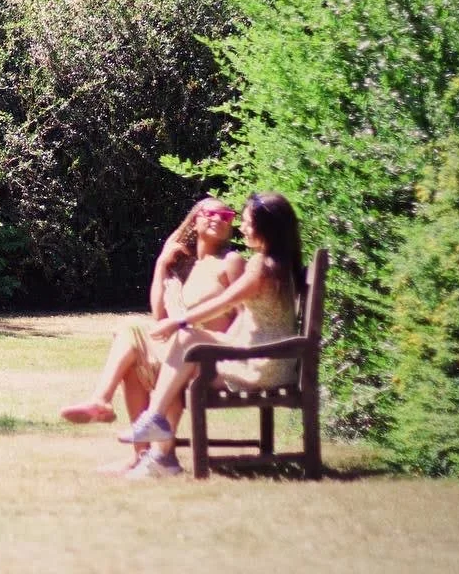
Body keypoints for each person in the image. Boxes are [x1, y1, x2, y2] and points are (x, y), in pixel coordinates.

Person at [115, 191, 303, 478]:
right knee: (187, 342)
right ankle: (156, 441)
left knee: (181, 350)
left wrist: (177, 322)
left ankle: (158, 442)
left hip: (260, 367)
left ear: (266, 227)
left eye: (248, 222)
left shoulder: (260, 266)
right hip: (263, 357)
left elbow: (225, 302)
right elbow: (250, 322)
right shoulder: (277, 264)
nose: (242, 228)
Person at [57, 197, 243, 476]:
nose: (219, 218)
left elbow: (245, 316)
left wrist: (230, 348)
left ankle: (155, 454)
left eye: (226, 215)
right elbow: (159, 316)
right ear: (196, 219)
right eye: (211, 213)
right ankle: (144, 455)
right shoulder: (188, 267)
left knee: (137, 341)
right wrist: (161, 265)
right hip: (182, 355)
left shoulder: (230, 262)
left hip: (213, 358)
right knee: (131, 334)